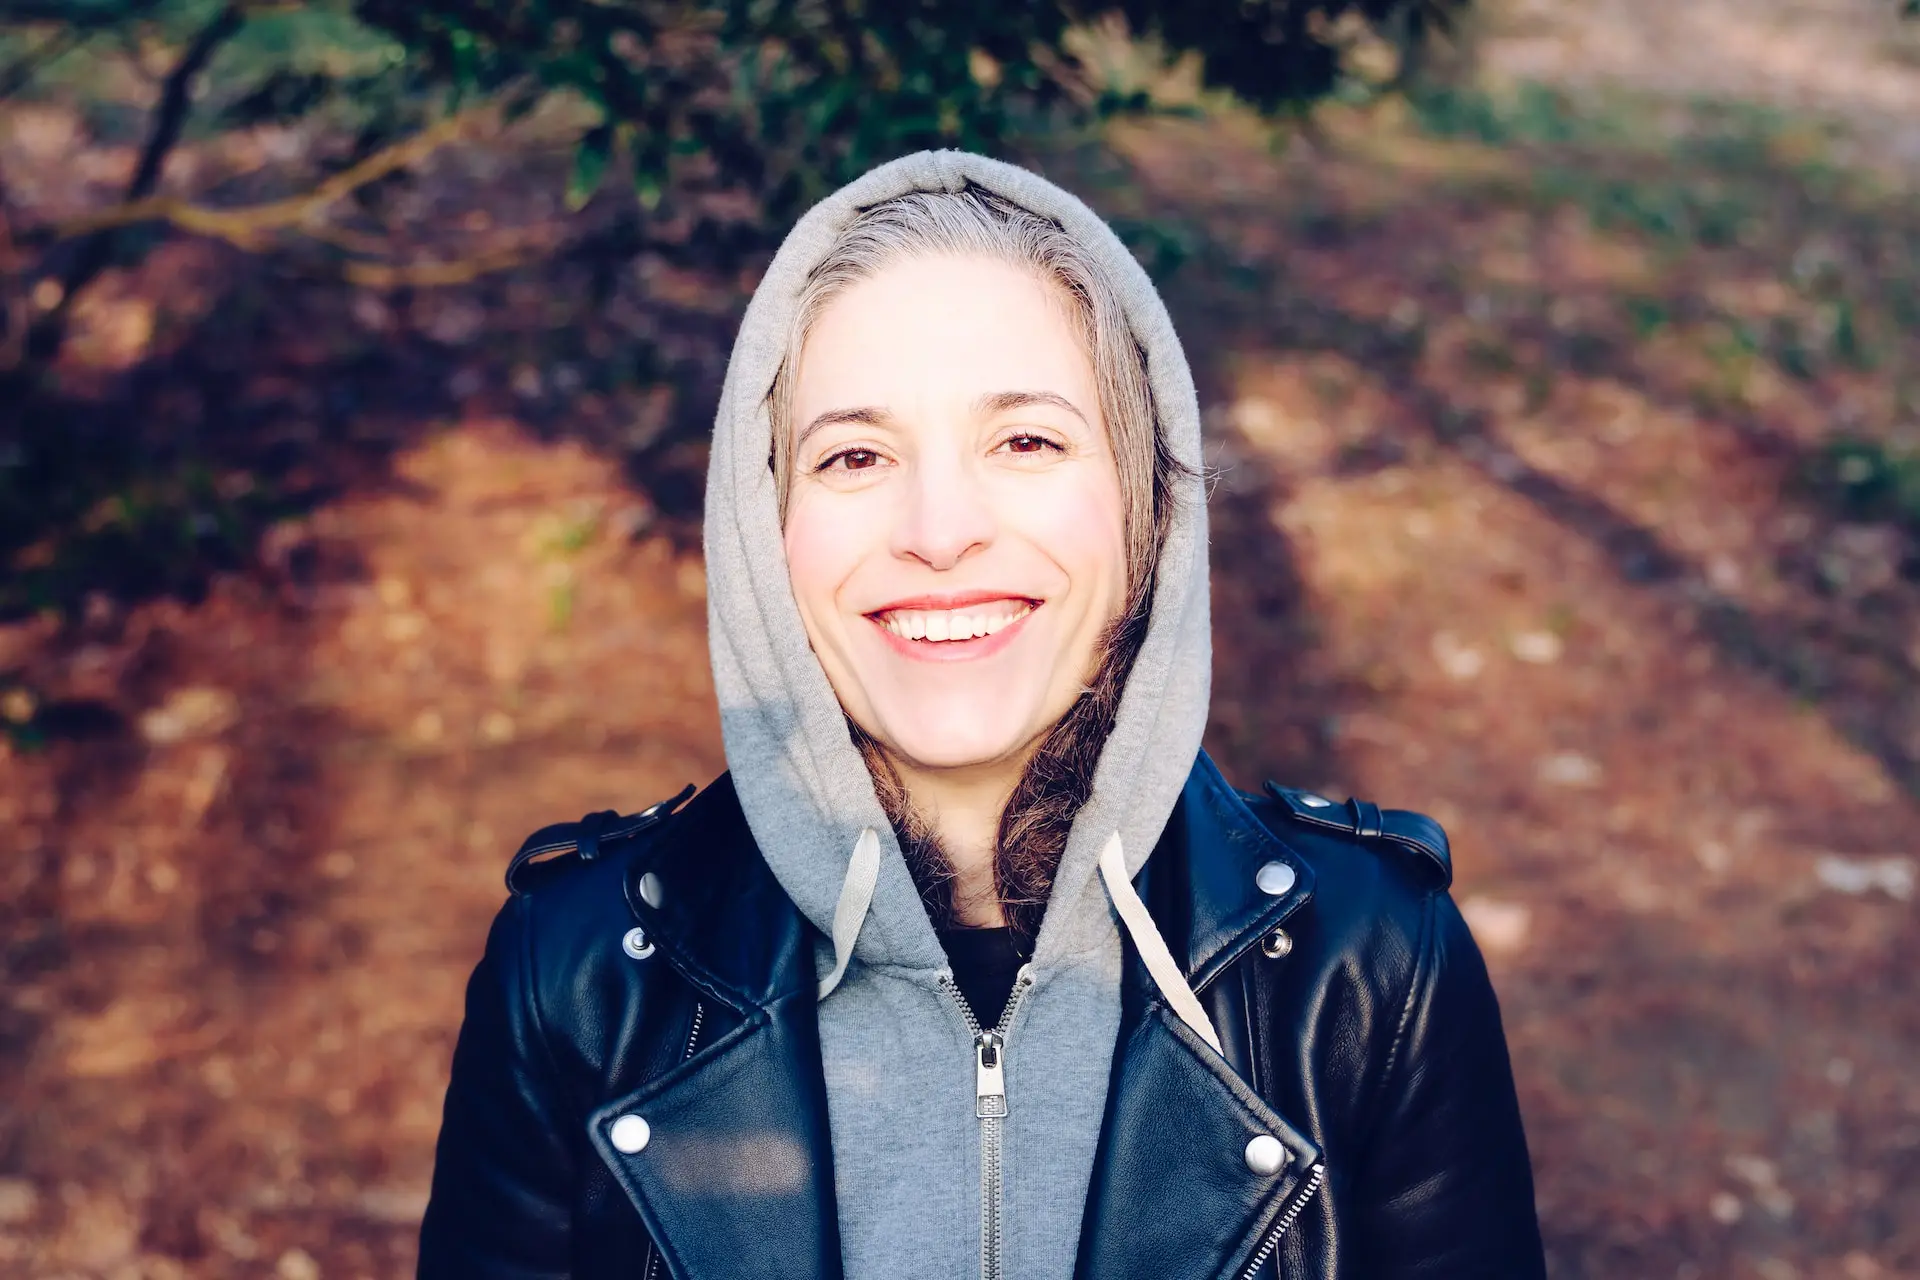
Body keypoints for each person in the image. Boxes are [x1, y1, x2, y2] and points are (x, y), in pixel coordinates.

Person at [417, 151, 1546, 1280]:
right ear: (765, 528)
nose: (942, 528)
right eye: (855, 454)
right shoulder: (576, 976)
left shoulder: (1370, 965)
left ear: (1147, 502)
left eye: (1027, 440)